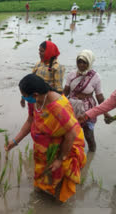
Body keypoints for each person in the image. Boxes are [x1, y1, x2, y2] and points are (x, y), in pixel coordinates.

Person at [5, 74, 86, 202]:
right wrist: (15, 141)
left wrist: (60, 159)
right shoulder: (36, 101)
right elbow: (30, 120)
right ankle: (44, 191)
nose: (24, 98)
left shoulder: (58, 107)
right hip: (43, 149)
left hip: (61, 148)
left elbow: (71, 135)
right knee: (44, 174)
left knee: (58, 175)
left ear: (35, 94)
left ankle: (57, 202)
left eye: (24, 96)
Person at [63, 50, 110, 152]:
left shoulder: (95, 77)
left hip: (87, 108)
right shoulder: (71, 75)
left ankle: (91, 154)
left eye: (84, 62)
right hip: (71, 107)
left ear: (90, 63)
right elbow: (65, 92)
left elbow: (100, 97)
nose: (81, 65)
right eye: (79, 61)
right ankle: (71, 155)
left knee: (89, 135)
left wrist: (105, 113)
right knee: (70, 135)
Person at [21, 41, 65, 107]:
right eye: (39, 51)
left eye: (42, 51)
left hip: (48, 101)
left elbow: (58, 90)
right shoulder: (38, 64)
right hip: (35, 99)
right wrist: (23, 97)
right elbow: (29, 82)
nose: (39, 53)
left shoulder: (57, 68)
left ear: (49, 52)